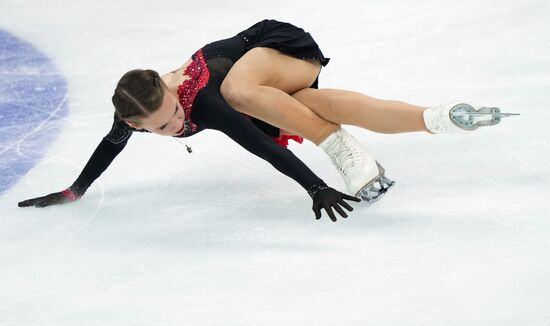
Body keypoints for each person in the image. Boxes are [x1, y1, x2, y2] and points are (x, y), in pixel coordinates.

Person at [17, 19, 513, 222]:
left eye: (172, 111)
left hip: (278, 50)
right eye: (164, 127)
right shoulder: (133, 112)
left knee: (234, 90)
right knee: (331, 105)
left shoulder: (201, 98)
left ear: (170, 91)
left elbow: (259, 145)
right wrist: (74, 190)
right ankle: (437, 118)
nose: (175, 124)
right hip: (270, 93)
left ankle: (340, 150)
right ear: (140, 125)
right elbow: (110, 144)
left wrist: (315, 186)